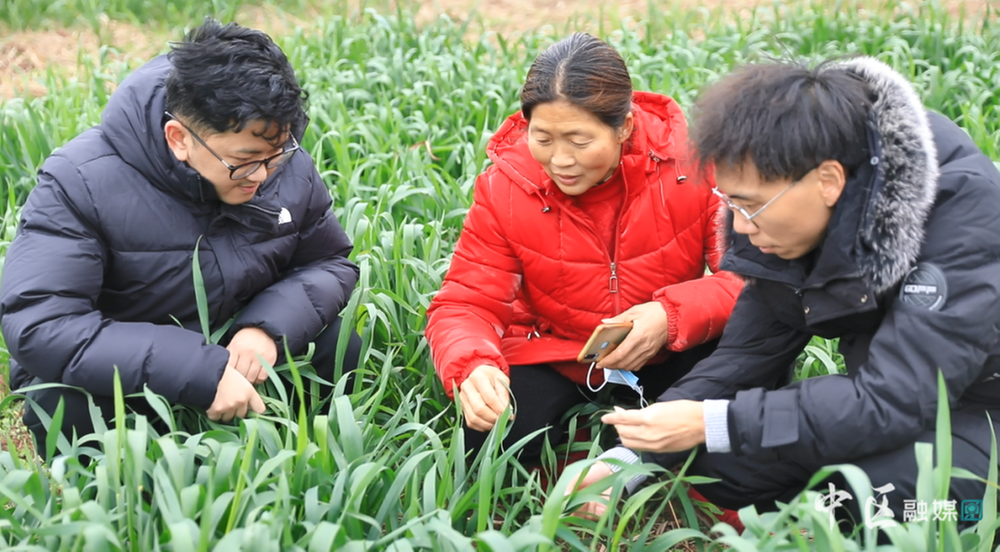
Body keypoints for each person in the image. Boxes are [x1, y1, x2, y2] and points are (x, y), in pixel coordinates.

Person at [572, 57, 1000, 528]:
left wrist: (716, 421)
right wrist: (629, 458)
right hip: (893, 397)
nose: (740, 226)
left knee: (895, 491)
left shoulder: (961, 213)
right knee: (716, 458)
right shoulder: (782, 220)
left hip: (980, 405)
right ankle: (821, 515)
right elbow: (746, 355)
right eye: (731, 203)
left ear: (828, 181)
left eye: (751, 206)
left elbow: (898, 397)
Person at [0, 19, 362, 453]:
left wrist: (266, 330)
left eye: (276, 156)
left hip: (237, 344)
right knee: (66, 404)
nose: (263, 176)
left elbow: (328, 261)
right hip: (127, 367)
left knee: (337, 344)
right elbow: (42, 323)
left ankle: (295, 460)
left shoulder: (277, 156)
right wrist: (197, 371)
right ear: (179, 139)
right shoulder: (80, 182)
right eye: (244, 162)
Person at [424, 33, 743, 462]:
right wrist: (471, 365)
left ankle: (648, 469)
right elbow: (464, 303)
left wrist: (668, 317)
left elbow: (749, 275)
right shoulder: (507, 186)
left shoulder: (690, 166)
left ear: (624, 126)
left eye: (578, 142)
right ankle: (578, 474)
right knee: (491, 443)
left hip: (667, 349)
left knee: (748, 384)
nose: (560, 160)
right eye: (543, 138)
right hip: (555, 352)